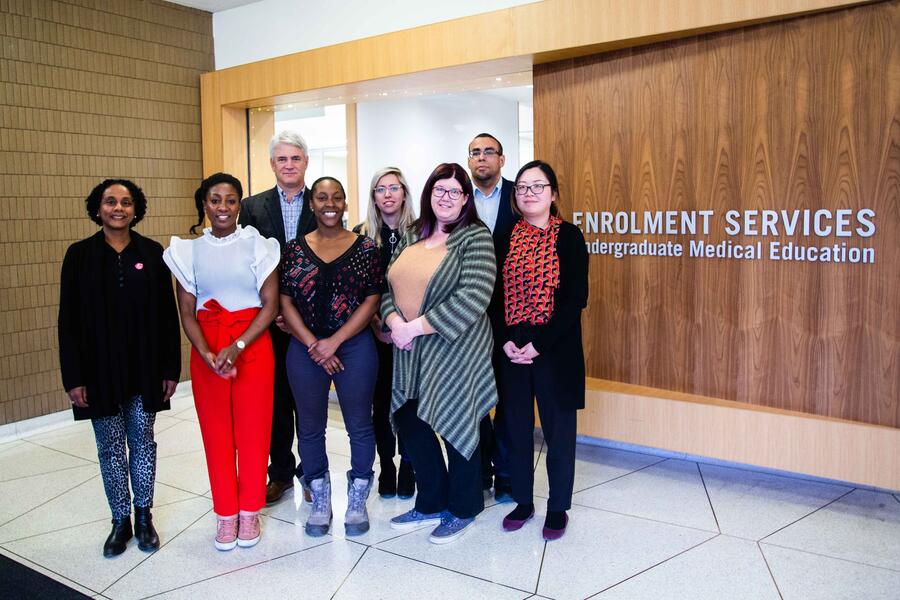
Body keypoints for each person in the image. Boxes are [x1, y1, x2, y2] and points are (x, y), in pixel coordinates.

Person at [58, 179, 181, 557]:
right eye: (110, 202)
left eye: (126, 202)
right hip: (97, 373)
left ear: (135, 209)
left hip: (144, 368)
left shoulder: (152, 252)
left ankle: (144, 518)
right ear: (97, 208)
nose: (118, 208)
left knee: (143, 442)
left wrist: (170, 370)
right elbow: (68, 320)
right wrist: (73, 377)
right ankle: (120, 521)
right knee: (109, 447)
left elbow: (166, 316)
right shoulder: (79, 255)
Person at [164, 173, 280, 551]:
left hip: (252, 344)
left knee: (253, 431)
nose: (223, 208)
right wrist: (206, 352)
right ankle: (225, 515)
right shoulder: (187, 250)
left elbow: (271, 305)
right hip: (208, 348)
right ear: (204, 204)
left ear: (240, 204)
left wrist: (239, 345)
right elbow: (186, 311)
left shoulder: (259, 246)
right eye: (215, 200)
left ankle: (249, 512)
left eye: (230, 200)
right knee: (216, 434)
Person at [383, 163, 498, 544]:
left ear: (466, 199)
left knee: (456, 423)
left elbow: (474, 296)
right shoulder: (413, 233)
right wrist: (393, 321)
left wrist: (414, 327)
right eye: (439, 190)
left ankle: (463, 508)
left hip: (455, 350)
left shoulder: (474, 237)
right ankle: (431, 501)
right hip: (409, 350)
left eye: (454, 192)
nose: (445, 198)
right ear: (429, 194)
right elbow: (388, 286)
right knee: (410, 422)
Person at [280, 177, 382, 537]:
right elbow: (285, 300)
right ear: (311, 203)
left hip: (354, 346)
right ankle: (320, 499)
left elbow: (372, 299)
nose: (329, 203)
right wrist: (315, 344)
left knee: (359, 424)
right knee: (309, 427)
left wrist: (334, 341)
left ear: (345, 203)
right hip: (305, 349)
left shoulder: (366, 247)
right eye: (322, 197)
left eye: (336, 197)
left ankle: (357, 499)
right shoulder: (293, 249)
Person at [496, 160, 589, 541]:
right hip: (511, 347)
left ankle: (557, 507)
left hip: (554, 348)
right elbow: (493, 296)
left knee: (559, 432)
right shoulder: (504, 236)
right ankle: (523, 500)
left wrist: (539, 344)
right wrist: (505, 340)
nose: (529, 193)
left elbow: (574, 300)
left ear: (553, 193)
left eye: (537, 186)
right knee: (516, 429)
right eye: (521, 187)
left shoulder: (569, 236)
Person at [239, 130, 315, 505]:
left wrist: (297, 312)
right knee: (275, 402)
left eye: (295, 158)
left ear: (305, 162)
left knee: (309, 401)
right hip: (268, 321)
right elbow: (248, 263)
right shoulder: (252, 207)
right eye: (282, 159)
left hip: (309, 321)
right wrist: (274, 310)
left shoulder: (322, 200)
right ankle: (281, 473)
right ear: (272, 164)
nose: (289, 165)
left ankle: (311, 473)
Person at [353, 167, 417, 499]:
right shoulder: (360, 236)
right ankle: (387, 468)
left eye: (394, 187)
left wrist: (403, 326)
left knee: (408, 402)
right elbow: (356, 290)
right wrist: (378, 324)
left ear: (405, 193)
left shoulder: (423, 233)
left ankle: (409, 465)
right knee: (379, 404)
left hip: (411, 335)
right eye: (380, 189)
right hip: (372, 335)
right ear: (373, 196)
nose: (388, 194)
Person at [467, 132, 517, 502]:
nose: (481, 158)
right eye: (474, 153)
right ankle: (480, 471)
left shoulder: (521, 196)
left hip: (510, 314)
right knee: (474, 397)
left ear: (501, 159)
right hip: (467, 317)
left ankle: (508, 473)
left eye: (488, 152)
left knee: (510, 397)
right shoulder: (455, 197)